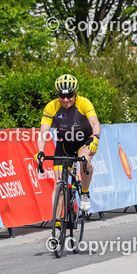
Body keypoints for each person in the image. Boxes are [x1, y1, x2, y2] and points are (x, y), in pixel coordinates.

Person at [35, 74, 100, 213]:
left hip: (84, 142)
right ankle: (57, 227)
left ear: (76, 93)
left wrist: (96, 138)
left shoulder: (84, 103)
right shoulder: (51, 106)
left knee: (85, 162)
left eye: (69, 96)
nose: (65, 100)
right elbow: (43, 132)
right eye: (61, 96)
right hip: (64, 144)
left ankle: (84, 192)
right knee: (59, 182)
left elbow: (94, 122)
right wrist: (40, 150)